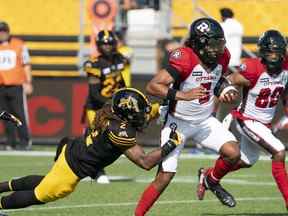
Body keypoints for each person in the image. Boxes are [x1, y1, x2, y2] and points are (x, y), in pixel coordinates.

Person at [0, 88, 181, 216]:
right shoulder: (120, 132)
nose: (143, 116)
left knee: (46, 180)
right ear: (127, 115)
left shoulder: (111, 110)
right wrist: (170, 145)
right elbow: (145, 162)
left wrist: (163, 106)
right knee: (39, 195)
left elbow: (142, 113)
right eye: (140, 112)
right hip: (72, 169)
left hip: (71, 148)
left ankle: (1, 186)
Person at [135, 17, 241, 216]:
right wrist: (182, 95)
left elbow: (216, 80)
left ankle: (209, 180)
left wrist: (226, 90)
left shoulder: (223, 56)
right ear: (200, 43)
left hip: (204, 121)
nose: (218, 48)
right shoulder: (185, 57)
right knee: (165, 176)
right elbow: (153, 86)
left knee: (233, 153)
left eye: (220, 43)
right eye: (213, 44)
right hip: (179, 122)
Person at [200, 30, 288, 209]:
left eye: (277, 52)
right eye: (270, 52)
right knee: (279, 152)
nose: (274, 56)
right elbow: (223, 82)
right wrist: (212, 108)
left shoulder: (286, 68)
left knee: (247, 161)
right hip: (246, 119)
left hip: (263, 123)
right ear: (262, 52)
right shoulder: (253, 69)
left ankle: (208, 177)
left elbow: (284, 91)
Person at [83, 30, 129, 183]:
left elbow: (123, 83)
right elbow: (94, 94)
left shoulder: (120, 59)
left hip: (113, 105)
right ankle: (97, 171)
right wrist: (112, 104)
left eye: (109, 43)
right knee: (96, 141)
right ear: (98, 45)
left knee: (118, 137)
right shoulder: (94, 64)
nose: (107, 47)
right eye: (104, 44)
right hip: (96, 107)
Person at [0, 21, 33, 150]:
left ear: (8, 32)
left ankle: (25, 141)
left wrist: (28, 82)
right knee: (5, 115)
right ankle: (10, 142)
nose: (2, 34)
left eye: (3, 32)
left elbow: (26, 64)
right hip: (1, 86)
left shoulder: (19, 45)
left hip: (16, 85)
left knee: (19, 114)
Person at [220, 8, 243, 72]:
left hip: (226, 61)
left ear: (223, 16)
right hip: (237, 60)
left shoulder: (222, 26)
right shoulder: (239, 25)